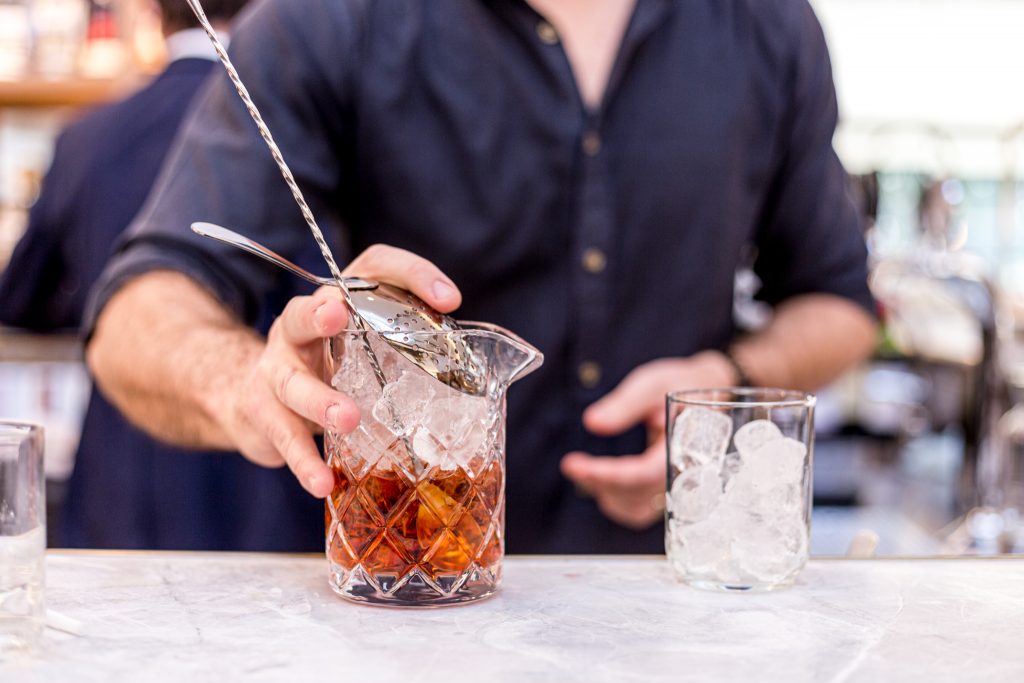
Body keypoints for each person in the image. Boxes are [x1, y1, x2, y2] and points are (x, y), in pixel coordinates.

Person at [85, 0, 877, 554]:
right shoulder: (327, 20)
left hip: (662, 600)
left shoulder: (770, 24)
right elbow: (136, 313)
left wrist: (727, 381)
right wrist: (244, 385)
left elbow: (839, 301)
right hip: (396, 605)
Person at [0, 0, 324, 551]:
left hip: (120, 490)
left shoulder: (87, 135)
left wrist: (91, 298)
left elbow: (20, 299)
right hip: (273, 498)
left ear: (151, 14)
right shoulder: (304, 130)